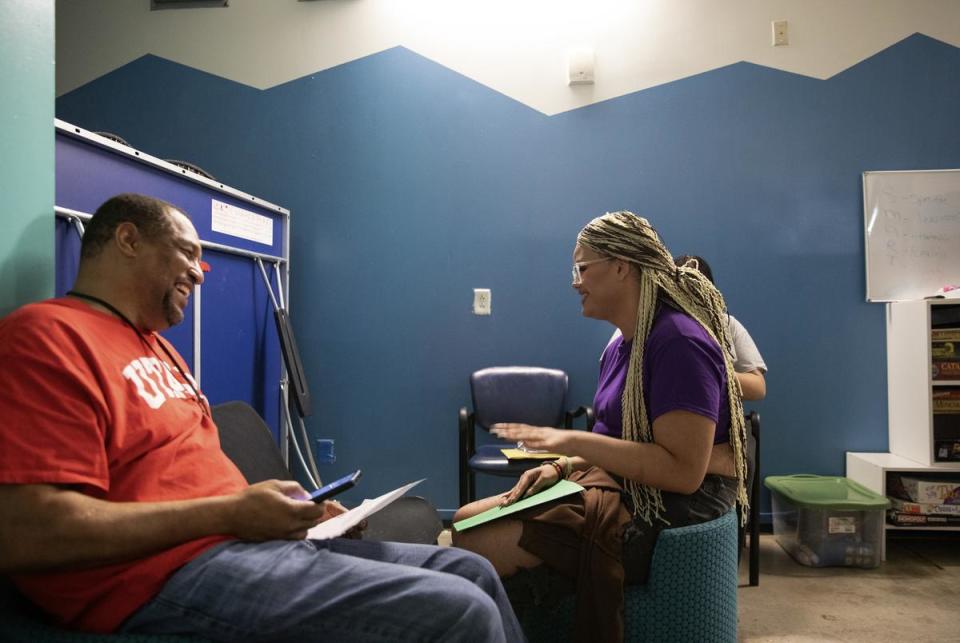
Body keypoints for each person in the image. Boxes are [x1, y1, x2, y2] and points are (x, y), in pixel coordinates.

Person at [0, 193, 523, 642]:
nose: (198, 276)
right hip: (158, 574)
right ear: (128, 240)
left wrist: (293, 512)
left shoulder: (160, 350)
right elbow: (29, 533)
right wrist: (230, 516)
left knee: (469, 569)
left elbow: (191, 480)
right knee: (459, 610)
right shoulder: (47, 337)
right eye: (188, 255)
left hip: (237, 544)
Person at [452, 211, 748, 639]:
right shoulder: (621, 347)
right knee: (463, 520)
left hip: (668, 505)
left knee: (475, 544)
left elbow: (683, 473)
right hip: (624, 484)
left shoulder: (678, 341)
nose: (575, 281)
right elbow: (614, 443)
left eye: (582, 268)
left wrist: (573, 442)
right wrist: (561, 466)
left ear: (622, 267)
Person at [673, 254, 767, 400]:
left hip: (722, 416)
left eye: (695, 290)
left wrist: (715, 374)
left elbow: (758, 388)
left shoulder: (728, 325)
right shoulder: (660, 327)